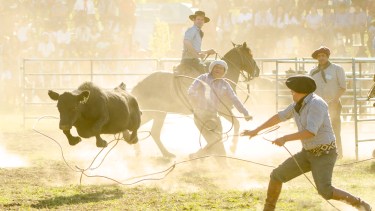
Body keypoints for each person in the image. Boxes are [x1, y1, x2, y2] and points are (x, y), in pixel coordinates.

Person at [241, 75, 371, 211]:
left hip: (324, 153)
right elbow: (279, 117)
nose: (291, 93)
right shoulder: (297, 105)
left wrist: (285, 138)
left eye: (292, 91)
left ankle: (361, 205)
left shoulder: (317, 104)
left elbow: (310, 132)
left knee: (325, 191)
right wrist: (256, 130)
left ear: (300, 91)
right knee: (277, 175)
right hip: (307, 153)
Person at [188, 60, 252, 160]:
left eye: (221, 68)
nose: (218, 69)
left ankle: (196, 156)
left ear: (224, 71)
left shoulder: (225, 84)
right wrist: (200, 98)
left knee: (217, 141)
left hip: (214, 116)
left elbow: (234, 99)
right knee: (215, 142)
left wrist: (245, 113)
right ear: (212, 68)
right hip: (200, 115)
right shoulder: (203, 78)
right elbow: (191, 91)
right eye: (216, 67)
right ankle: (223, 164)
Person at [309, 46, 346, 158]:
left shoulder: (337, 69)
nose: (321, 58)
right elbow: (310, 88)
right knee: (318, 129)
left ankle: (338, 153)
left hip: (332, 104)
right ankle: (321, 152)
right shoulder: (312, 71)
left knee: (334, 128)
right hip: (318, 105)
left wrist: (335, 100)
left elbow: (343, 87)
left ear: (327, 57)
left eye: (323, 55)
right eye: (319, 56)